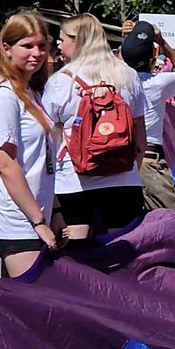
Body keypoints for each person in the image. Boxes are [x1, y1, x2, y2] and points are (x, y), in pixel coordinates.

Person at [0, 12, 59, 276]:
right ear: (6, 48)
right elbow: (7, 165)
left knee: (24, 303)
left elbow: (42, 157)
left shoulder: (29, 91)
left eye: (41, 45)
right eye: (27, 46)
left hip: (35, 210)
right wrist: (38, 221)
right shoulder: (4, 96)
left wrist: (55, 209)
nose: (36, 53)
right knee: (31, 302)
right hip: (16, 217)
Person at [45, 14, 146, 240]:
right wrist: (130, 167)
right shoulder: (127, 75)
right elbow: (140, 134)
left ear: (78, 40)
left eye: (62, 39)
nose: (58, 44)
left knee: (76, 254)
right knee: (122, 252)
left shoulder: (61, 81)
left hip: (74, 180)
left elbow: (48, 138)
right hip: (124, 179)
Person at [120, 20, 175, 212]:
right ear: (154, 56)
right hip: (149, 161)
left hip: (119, 161)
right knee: (174, 220)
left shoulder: (115, 82)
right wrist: (161, 41)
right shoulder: (159, 83)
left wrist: (127, 40)